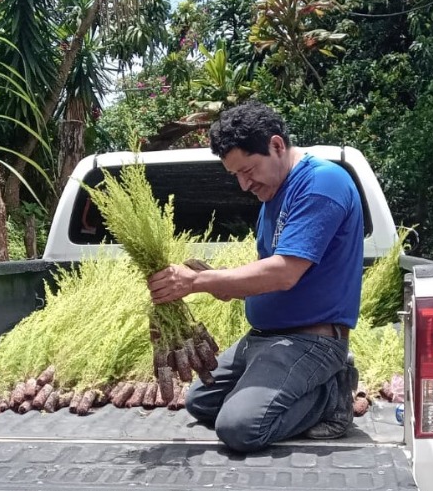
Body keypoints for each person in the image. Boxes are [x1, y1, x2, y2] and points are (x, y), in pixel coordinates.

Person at [147, 101, 363, 453]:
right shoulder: (272, 198)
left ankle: (331, 395)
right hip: (263, 339)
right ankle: (285, 390)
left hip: (310, 343)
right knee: (200, 401)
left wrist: (196, 282)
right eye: (236, 176)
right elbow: (267, 273)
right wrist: (220, 281)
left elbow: (285, 273)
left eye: (248, 170)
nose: (245, 184)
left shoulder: (322, 183)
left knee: (239, 429)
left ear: (277, 146)